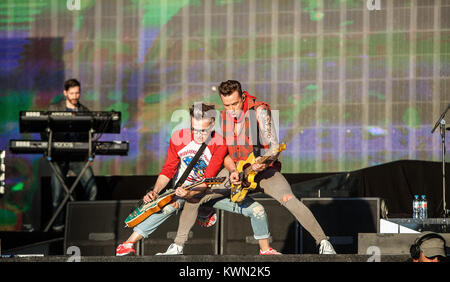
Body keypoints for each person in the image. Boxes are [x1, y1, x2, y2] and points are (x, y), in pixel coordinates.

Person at [159, 80, 336, 255]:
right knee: (197, 192)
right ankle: (177, 246)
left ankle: (323, 242)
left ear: (243, 97)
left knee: (289, 198)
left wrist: (264, 162)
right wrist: (233, 171)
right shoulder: (222, 116)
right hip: (237, 170)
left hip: (264, 172)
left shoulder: (258, 110)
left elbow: (274, 147)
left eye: (235, 103)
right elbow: (224, 152)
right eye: (227, 105)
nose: (231, 109)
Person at [116, 103, 277, 256]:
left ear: (212, 125)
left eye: (204, 130)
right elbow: (168, 169)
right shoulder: (178, 138)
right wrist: (155, 191)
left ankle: (265, 251)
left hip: (206, 192)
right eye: (195, 129)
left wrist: (190, 194)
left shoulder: (219, 143)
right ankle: (127, 244)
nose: (199, 135)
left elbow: (208, 180)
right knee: (169, 206)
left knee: (257, 210)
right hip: (182, 191)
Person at [46, 78, 98, 232]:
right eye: (72, 93)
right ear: (65, 93)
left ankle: (88, 224)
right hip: (59, 157)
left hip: (79, 157)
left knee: (92, 189)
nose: (75, 96)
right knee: (57, 194)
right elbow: (45, 131)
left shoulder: (84, 112)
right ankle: (58, 227)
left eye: (77, 93)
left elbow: (90, 136)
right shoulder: (55, 108)